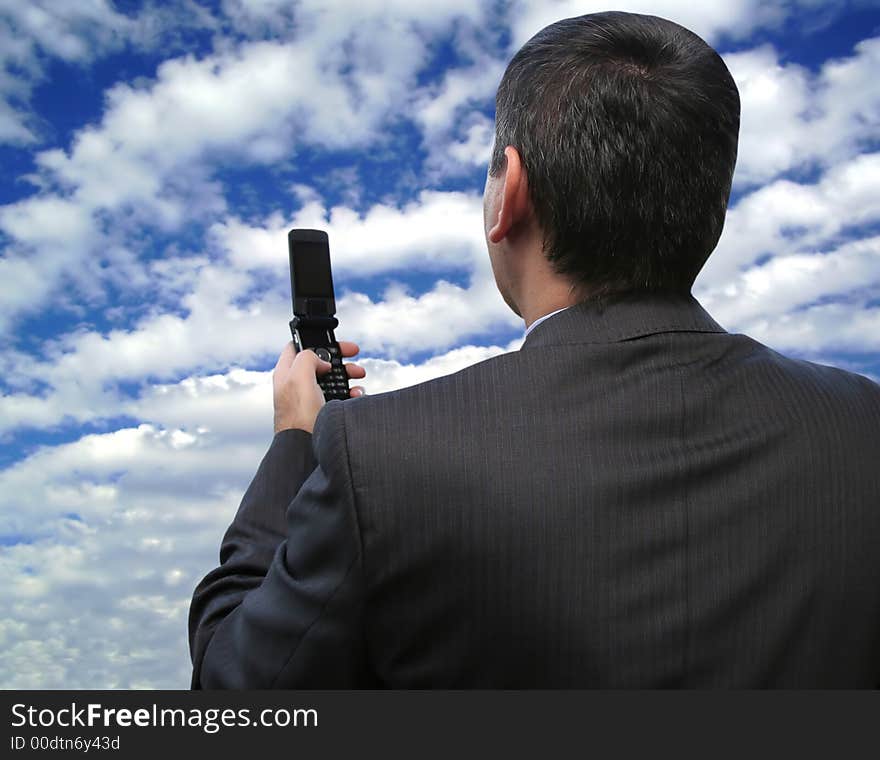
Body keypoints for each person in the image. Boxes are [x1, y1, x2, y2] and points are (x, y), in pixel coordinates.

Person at [188, 11, 880, 688]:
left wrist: (293, 440)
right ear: (715, 206)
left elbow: (232, 687)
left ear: (508, 192)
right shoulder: (861, 424)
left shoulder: (376, 457)